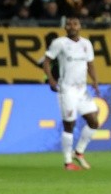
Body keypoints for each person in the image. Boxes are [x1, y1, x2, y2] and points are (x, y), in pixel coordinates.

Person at [42, 17, 100, 171]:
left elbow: (90, 64)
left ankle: (79, 152)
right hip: (66, 89)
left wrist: (95, 81)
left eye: (75, 23)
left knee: (94, 121)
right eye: (69, 24)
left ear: (80, 26)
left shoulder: (86, 44)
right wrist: (51, 80)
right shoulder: (59, 43)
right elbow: (46, 61)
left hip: (82, 89)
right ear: (65, 27)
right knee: (70, 124)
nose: (72, 26)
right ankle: (68, 162)